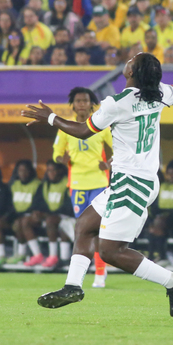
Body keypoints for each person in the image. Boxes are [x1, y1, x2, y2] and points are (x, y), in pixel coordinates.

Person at [21, 40, 173, 316]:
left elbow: (84, 131)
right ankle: (73, 286)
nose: (129, 58)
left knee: (111, 251)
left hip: (132, 183)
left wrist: (50, 118)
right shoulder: (158, 94)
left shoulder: (117, 103)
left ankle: (172, 281)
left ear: (132, 71)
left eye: (133, 58)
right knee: (84, 225)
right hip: (133, 180)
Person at [53, 87, 113, 287]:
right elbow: (57, 152)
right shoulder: (65, 127)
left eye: (85, 100)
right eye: (78, 100)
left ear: (91, 103)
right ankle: (87, 271)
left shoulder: (102, 125)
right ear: (73, 104)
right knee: (84, 230)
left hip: (99, 182)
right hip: (77, 183)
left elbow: (119, 147)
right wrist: (62, 159)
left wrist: (109, 164)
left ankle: (100, 272)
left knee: (99, 229)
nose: (81, 104)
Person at [22, 160, 73, 268]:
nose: (50, 173)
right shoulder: (45, 184)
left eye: (53, 170)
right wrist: (37, 212)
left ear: (59, 171)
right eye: (48, 171)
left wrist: (49, 214)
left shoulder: (68, 183)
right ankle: (37, 255)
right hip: (49, 216)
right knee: (26, 221)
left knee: (51, 220)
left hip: (67, 217)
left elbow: (68, 205)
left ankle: (53, 256)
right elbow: (38, 201)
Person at [2, 160, 41, 265]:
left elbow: (38, 203)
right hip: (17, 216)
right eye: (20, 171)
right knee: (16, 223)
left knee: (23, 222)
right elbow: (9, 204)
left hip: (34, 217)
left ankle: (37, 255)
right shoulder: (14, 185)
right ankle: (20, 254)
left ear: (30, 171)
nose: (23, 173)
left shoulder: (37, 184)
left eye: (25, 170)